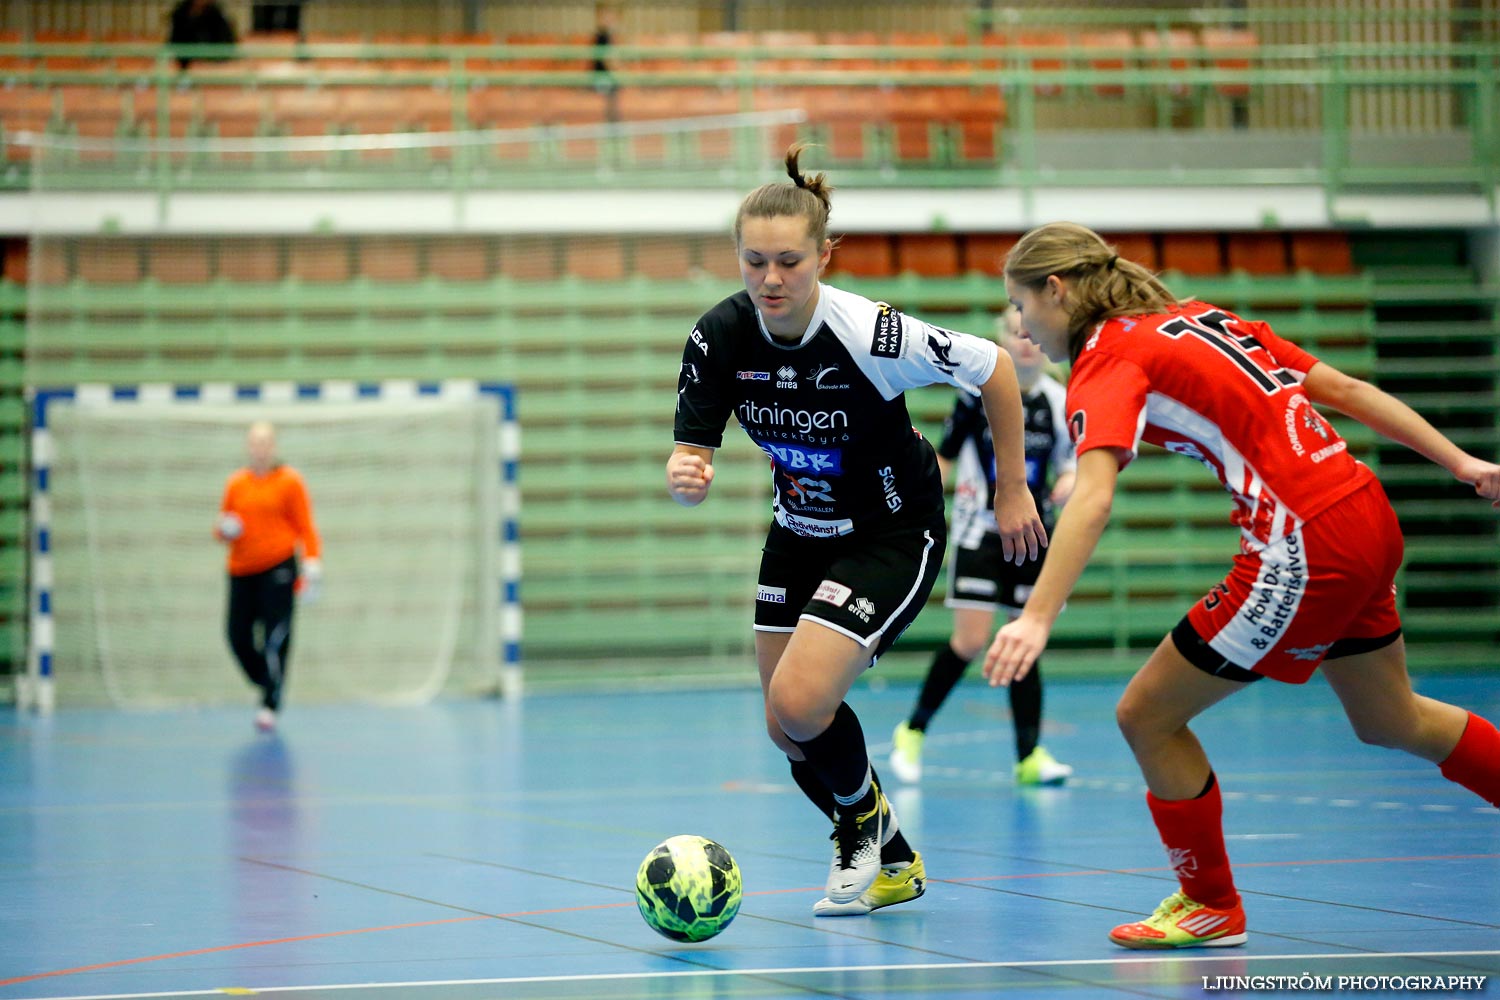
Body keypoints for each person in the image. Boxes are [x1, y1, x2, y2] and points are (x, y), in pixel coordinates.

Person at [982, 221, 1500, 949]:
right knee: (1391, 719)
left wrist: (1036, 617)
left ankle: (1212, 905)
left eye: (1021, 305)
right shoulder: (1206, 319)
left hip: (1304, 541)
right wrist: (1463, 463)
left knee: (1146, 715)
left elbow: (1093, 497)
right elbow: (1346, 390)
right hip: (1364, 511)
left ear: (1056, 290)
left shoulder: (1108, 357)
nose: (1024, 328)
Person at [668, 144, 1046, 917]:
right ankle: (892, 853)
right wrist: (686, 476)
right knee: (785, 726)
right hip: (797, 533)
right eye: (754, 262)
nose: (770, 279)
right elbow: (691, 451)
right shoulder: (720, 337)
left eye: (789, 262)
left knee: (804, 701)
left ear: (824, 256)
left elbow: (993, 369)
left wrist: (1012, 488)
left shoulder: (871, 336)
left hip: (890, 533)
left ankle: (859, 827)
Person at [891, 306, 1077, 787]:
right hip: (979, 533)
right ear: (1004, 340)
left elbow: (1073, 463)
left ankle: (1029, 756)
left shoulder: (1058, 401)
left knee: (1023, 645)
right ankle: (912, 731)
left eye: (1030, 334)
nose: (1024, 342)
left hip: (1033, 537)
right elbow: (944, 459)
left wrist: (1070, 483)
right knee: (971, 640)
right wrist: (914, 513)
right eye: (1015, 335)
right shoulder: (976, 396)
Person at [215, 421, 322, 732]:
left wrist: (313, 564)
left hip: (279, 568)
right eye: (255, 442)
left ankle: (270, 703)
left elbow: (306, 526)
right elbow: (222, 526)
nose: (260, 448)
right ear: (248, 447)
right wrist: (225, 529)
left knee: (276, 638)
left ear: (273, 447)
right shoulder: (236, 484)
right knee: (237, 636)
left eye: (266, 443)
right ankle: (267, 681)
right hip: (241, 571)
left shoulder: (290, 482)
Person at [167, 0, 238, 71]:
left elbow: (227, 45)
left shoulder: (217, 15)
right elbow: (174, 42)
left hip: (210, 65)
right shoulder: (180, 13)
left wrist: (208, 62)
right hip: (183, 64)